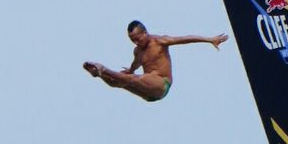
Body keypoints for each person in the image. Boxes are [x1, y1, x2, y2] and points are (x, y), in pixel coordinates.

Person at [83, 20, 228, 102]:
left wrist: (209, 39)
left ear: (145, 33)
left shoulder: (159, 41)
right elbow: (136, 63)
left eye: (137, 38)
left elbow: (185, 39)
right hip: (149, 95)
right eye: (132, 40)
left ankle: (104, 69)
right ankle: (99, 74)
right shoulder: (137, 51)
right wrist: (130, 70)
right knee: (118, 83)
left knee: (132, 79)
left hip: (161, 84)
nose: (135, 42)